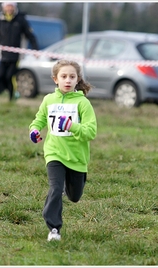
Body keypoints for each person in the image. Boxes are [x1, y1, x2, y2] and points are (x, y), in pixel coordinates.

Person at [28, 60, 97, 241]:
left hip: (77, 157)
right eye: (63, 76)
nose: (68, 80)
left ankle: (69, 187)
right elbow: (39, 120)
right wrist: (34, 130)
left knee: (74, 196)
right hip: (54, 152)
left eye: (72, 77)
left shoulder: (83, 103)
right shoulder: (49, 100)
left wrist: (72, 126)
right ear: (55, 79)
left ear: (78, 79)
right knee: (55, 188)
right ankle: (54, 229)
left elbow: (91, 132)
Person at [0, 2, 39, 101]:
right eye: (7, 6)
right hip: (3, 54)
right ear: (3, 7)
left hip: (16, 55)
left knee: (10, 76)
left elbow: (30, 36)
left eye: (11, 6)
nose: (9, 8)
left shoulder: (21, 20)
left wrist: (35, 49)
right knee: (1, 75)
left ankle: (12, 97)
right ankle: (7, 91)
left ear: (14, 7)